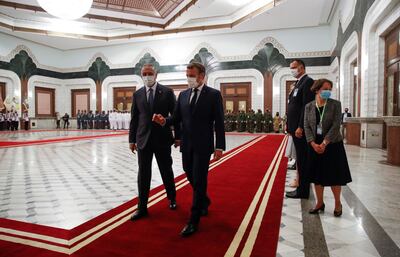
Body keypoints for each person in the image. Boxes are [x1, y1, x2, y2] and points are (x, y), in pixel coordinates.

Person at [153, 62, 226, 237]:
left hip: (203, 145)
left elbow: (219, 122)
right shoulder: (183, 95)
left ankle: (193, 220)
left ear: (202, 76)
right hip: (186, 144)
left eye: (192, 76)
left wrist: (219, 146)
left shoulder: (214, 95)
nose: (189, 79)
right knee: (189, 173)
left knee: (200, 179)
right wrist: (164, 120)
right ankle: (204, 200)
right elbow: (176, 117)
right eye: (187, 75)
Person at [129, 64, 178, 221]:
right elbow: (134, 119)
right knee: (143, 174)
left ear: (156, 75)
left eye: (150, 73)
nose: (147, 76)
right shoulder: (137, 94)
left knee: (166, 170)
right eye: (144, 73)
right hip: (143, 140)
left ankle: (172, 198)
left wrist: (178, 136)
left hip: (162, 139)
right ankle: (142, 207)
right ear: (141, 75)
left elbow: (176, 116)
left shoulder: (167, 92)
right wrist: (131, 139)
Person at [304, 79, 352, 217]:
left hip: (332, 144)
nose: (328, 91)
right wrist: (313, 143)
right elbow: (306, 126)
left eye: (329, 89)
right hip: (314, 145)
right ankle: (320, 203)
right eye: (325, 88)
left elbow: (336, 125)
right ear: (317, 89)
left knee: (334, 176)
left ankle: (337, 203)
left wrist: (324, 143)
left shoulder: (335, 104)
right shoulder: (309, 107)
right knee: (317, 176)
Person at [286, 59, 315, 199]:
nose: (292, 70)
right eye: (291, 67)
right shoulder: (298, 83)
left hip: (300, 130)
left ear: (301, 68)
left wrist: (300, 126)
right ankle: (301, 188)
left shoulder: (308, 81)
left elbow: (306, 106)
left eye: (294, 67)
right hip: (294, 128)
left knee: (303, 160)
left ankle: (303, 191)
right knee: (300, 160)